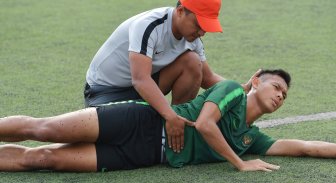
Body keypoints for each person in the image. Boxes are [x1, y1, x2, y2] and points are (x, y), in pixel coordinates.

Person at [0, 69, 335, 172]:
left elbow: (304, 147)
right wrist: (240, 163)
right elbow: (204, 124)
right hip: (138, 122)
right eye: (277, 87)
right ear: (258, 82)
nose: (280, 96)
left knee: (44, 159)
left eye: (285, 96)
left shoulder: (252, 138)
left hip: (145, 156)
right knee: (40, 128)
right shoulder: (231, 90)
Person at [84, 0, 259, 153]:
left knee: (192, 62)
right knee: (118, 134)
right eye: (199, 25)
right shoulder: (148, 25)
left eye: (206, 28)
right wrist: (169, 116)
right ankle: (170, 123)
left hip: (141, 88)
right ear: (181, 11)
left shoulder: (193, 39)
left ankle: (175, 130)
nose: (202, 32)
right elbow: (140, 79)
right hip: (104, 92)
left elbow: (208, 78)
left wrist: (241, 89)